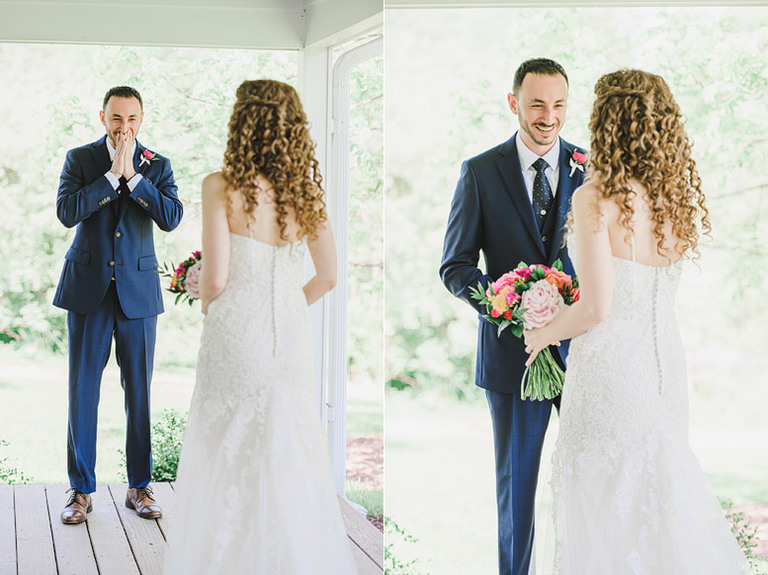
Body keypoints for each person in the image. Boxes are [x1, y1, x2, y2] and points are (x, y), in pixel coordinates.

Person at [524, 69, 754, 574]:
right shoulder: (672, 201)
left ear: (605, 121)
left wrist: (542, 332)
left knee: (608, 507)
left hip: (612, 374)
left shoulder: (595, 198)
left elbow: (596, 307)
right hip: (664, 370)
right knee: (660, 499)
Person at [162, 79, 358, 574]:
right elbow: (330, 276)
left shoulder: (220, 186)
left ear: (241, 123)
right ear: (293, 128)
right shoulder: (306, 194)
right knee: (285, 446)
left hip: (236, 333)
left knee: (223, 447)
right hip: (288, 335)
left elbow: (217, 278)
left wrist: (207, 300)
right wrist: (288, 304)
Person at [440, 58, 586, 575]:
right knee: (516, 492)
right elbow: (455, 266)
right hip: (512, 357)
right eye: (537, 105)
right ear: (514, 103)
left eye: (559, 105)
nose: (549, 117)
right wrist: (505, 304)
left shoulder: (591, 167)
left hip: (587, 356)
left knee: (591, 483)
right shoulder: (480, 171)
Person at [54, 86, 183, 524]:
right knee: (82, 392)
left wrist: (134, 178)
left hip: (138, 297)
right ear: (102, 117)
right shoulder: (79, 159)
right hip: (88, 292)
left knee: (140, 395)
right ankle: (80, 490)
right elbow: (67, 212)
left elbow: (171, 218)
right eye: (115, 118)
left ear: (141, 119)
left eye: (130, 118)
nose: (123, 126)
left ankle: (140, 487)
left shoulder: (158, 165)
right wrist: (110, 177)